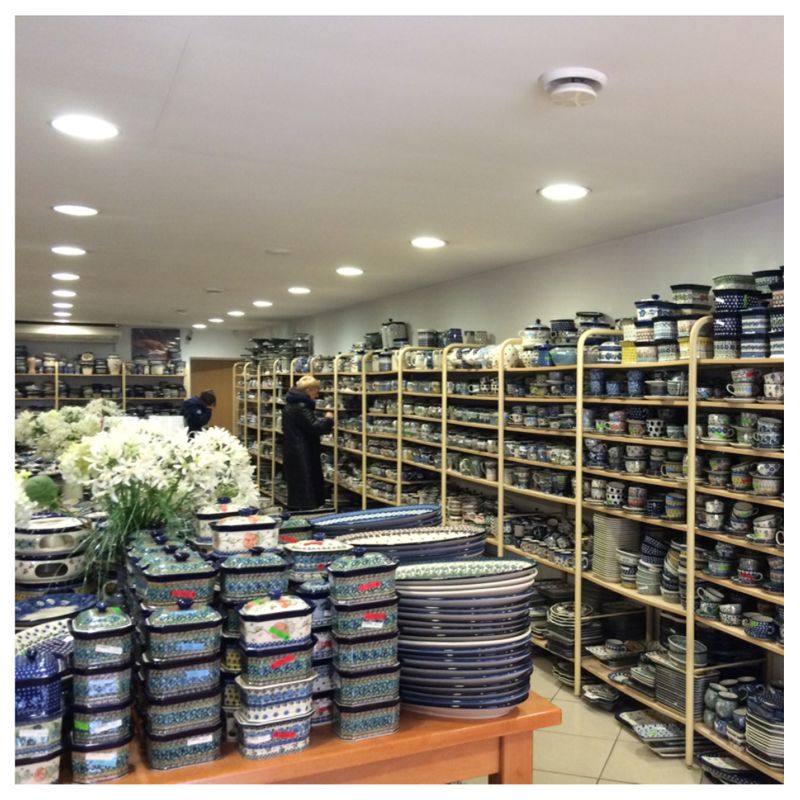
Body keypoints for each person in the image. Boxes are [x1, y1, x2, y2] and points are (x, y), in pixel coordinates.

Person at [282, 375, 334, 510]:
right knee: (306, 486)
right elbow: (315, 427)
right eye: (316, 391)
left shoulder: (290, 405)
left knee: (298, 486)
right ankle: (307, 513)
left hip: (294, 451)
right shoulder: (301, 407)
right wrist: (328, 419)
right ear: (308, 390)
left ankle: (300, 510)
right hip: (302, 452)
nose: (317, 395)